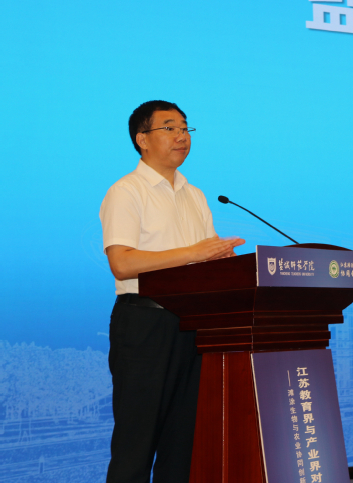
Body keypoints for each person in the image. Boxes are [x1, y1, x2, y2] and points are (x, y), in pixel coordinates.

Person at [100, 100, 245, 483]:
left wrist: (224, 260)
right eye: (169, 128)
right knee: (135, 445)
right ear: (142, 139)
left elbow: (207, 257)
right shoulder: (126, 191)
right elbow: (122, 263)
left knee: (183, 446)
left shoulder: (194, 194)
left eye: (185, 128)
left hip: (194, 325)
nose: (181, 136)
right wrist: (194, 253)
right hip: (145, 324)